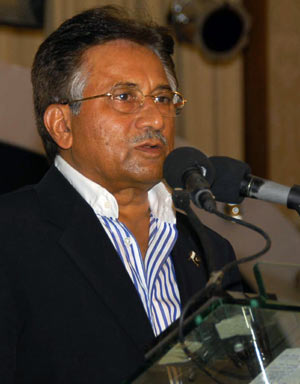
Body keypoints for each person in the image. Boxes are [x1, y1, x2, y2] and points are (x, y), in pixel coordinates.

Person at [0, 6, 241, 384]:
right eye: (125, 97)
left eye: (163, 98)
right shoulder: (10, 238)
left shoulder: (211, 251)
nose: (155, 119)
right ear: (62, 125)